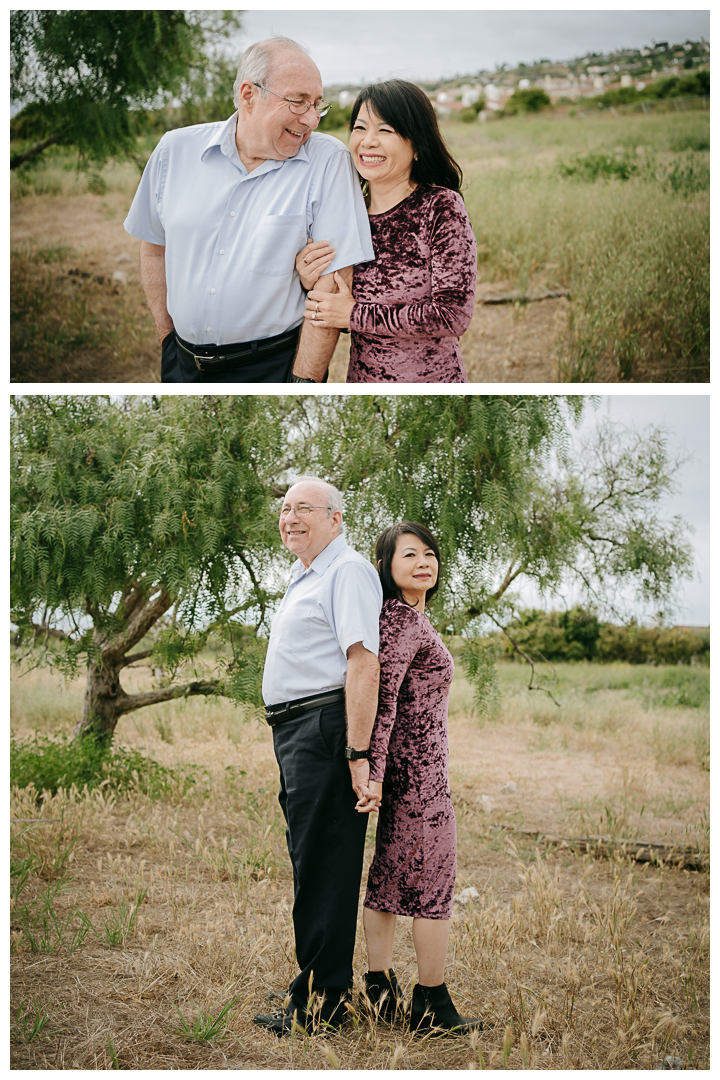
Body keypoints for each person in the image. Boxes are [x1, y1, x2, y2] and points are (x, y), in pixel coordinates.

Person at [123, 37, 373, 383]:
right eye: (298, 103)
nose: (312, 120)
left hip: (275, 368)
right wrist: (167, 340)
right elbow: (154, 247)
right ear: (248, 95)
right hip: (181, 367)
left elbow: (331, 287)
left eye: (317, 104)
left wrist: (304, 382)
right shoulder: (174, 150)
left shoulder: (327, 161)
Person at [254, 478, 382, 1036]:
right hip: (297, 731)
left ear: (335, 518)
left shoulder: (347, 570)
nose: (290, 517)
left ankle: (324, 1006)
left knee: (326, 866)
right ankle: (316, 989)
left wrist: (357, 753)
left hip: (325, 728)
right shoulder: (305, 573)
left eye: (304, 508)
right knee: (311, 863)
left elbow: (363, 664)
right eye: (285, 509)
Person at [359, 522, 482, 1033]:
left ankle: (379, 988)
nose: (424, 562)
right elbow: (382, 700)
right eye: (409, 555)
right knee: (433, 885)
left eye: (430, 553)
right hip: (417, 782)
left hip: (412, 774)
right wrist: (374, 773)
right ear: (386, 566)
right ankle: (430, 1002)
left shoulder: (404, 618)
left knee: (388, 879)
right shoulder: (402, 621)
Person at [295, 80, 477, 383]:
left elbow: (452, 315)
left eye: (385, 130)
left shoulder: (440, 208)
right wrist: (306, 279)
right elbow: (331, 307)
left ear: (417, 145)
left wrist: (355, 315)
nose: (367, 141)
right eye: (359, 128)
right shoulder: (347, 214)